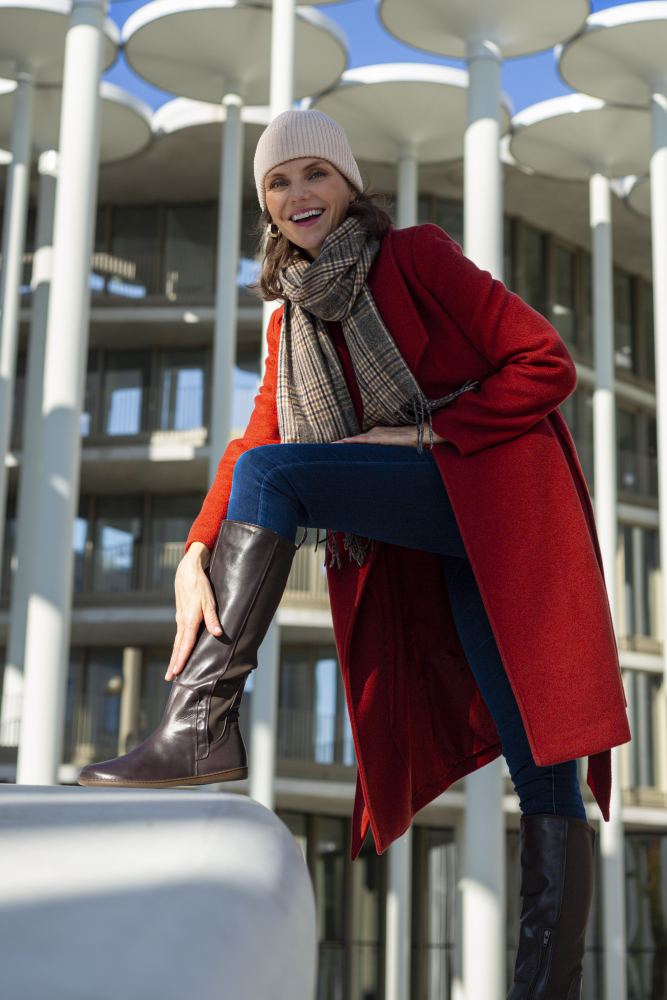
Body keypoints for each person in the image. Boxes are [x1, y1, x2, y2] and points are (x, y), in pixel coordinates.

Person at [79, 109, 631, 997]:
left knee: (546, 760)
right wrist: (194, 548)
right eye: (278, 182)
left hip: (496, 502)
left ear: (349, 186)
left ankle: (200, 725)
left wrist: (425, 434)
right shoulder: (286, 319)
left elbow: (545, 362)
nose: (299, 195)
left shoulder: (415, 256)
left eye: (315, 175)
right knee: (542, 771)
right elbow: (250, 445)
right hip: (434, 531)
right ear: (265, 204)